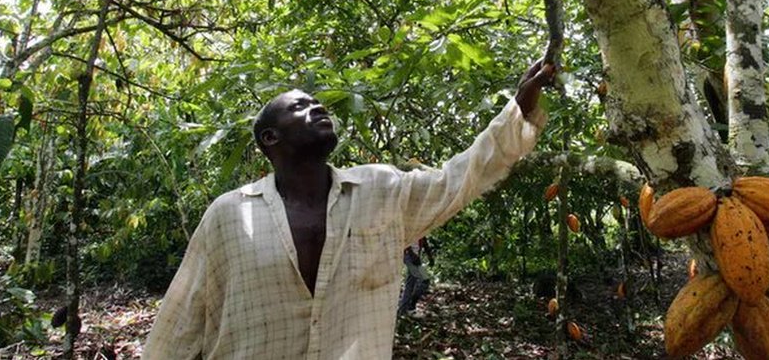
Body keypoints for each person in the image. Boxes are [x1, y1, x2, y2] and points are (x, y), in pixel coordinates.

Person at [142, 60, 555, 359]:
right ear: (270, 138)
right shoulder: (229, 215)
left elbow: (458, 179)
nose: (318, 107)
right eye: (299, 107)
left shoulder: (381, 189)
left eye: (318, 103)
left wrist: (518, 107)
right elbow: (180, 324)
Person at [397, 236, 435, 317]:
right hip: (409, 256)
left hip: (416, 257)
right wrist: (412, 254)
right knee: (423, 281)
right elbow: (405, 242)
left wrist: (430, 256)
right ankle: (409, 307)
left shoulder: (421, 227)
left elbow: (424, 241)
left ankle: (404, 309)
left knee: (413, 282)